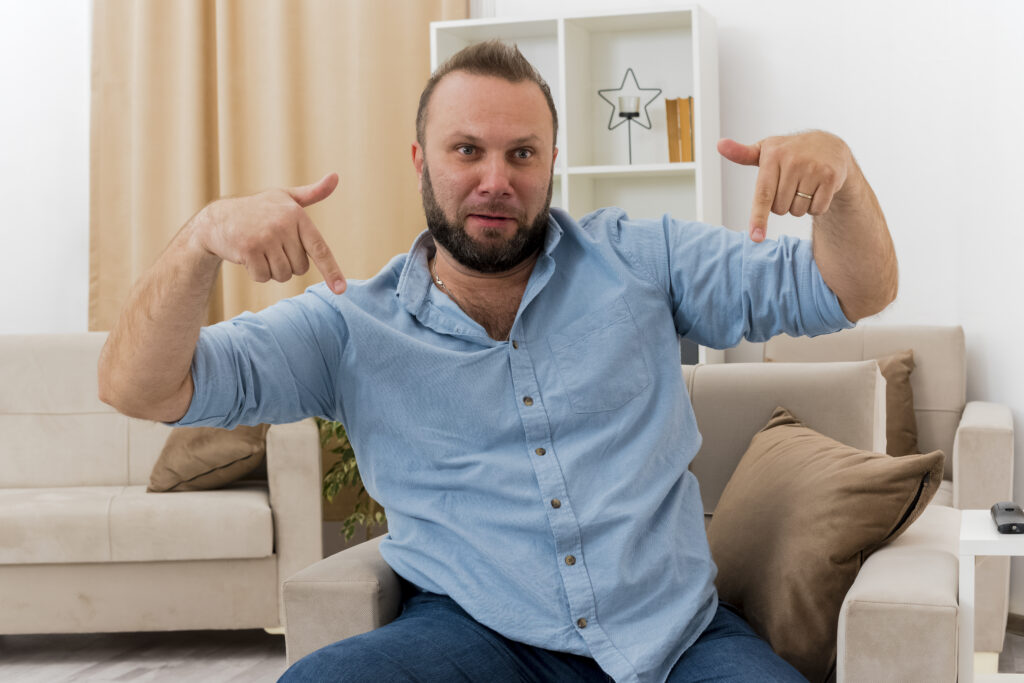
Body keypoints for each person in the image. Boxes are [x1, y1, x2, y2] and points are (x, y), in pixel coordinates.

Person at [98, 40, 896, 683]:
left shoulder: (641, 259)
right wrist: (202, 238)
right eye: (466, 150)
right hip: (476, 638)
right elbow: (140, 387)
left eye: (521, 153)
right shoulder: (349, 327)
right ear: (420, 160)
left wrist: (843, 180)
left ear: (554, 161)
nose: (495, 179)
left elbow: (856, 287)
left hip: (678, 635)